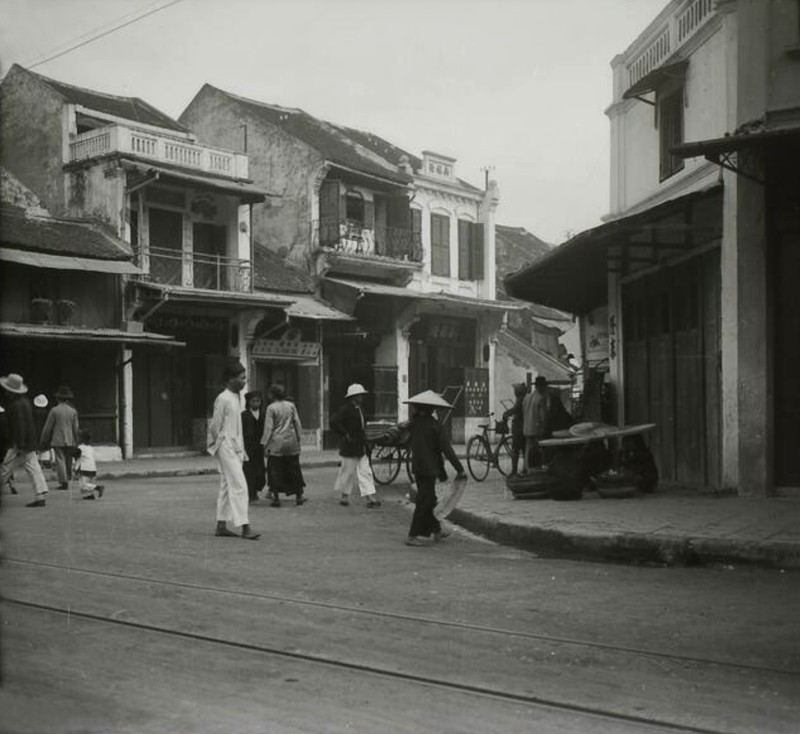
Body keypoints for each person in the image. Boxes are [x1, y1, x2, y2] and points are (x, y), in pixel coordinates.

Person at [404, 390, 467, 546]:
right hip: (430, 468)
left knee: (430, 499)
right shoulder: (435, 426)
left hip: (418, 468)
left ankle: (436, 530)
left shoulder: (414, 423)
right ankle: (412, 535)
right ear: (432, 409)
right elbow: (447, 450)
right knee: (424, 502)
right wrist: (459, 468)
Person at [207, 361, 260, 540]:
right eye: (242, 378)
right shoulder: (223, 398)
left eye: (245, 378)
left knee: (226, 485)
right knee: (240, 486)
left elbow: (237, 427)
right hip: (226, 446)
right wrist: (219, 445)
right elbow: (215, 425)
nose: (244, 381)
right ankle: (245, 527)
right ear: (230, 379)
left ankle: (221, 525)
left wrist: (240, 448)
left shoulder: (237, 397)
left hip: (236, 447)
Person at [0, 373, 49, 507]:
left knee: (5, 468)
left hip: (19, 443)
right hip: (30, 442)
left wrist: (20, 444)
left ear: (10, 391)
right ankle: (40, 495)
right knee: (34, 468)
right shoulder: (26, 402)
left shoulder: (15, 405)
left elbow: (19, 426)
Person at [330, 383, 380, 508]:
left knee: (365, 471)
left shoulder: (359, 409)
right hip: (350, 445)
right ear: (354, 396)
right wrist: (345, 434)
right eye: (360, 395)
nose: (362, 397)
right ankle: (345, 496)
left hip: (360, 445)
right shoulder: (346, 409)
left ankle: (370, 497)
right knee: (347, 472)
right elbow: (334, 422)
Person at [261, 383, 306, 507]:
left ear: (271, 394)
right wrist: (298, 440)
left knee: (275, 471)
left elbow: (268, 428)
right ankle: (299, 496)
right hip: (291, 442)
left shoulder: (271, 408)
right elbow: (297, 423)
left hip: (276, 444)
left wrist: (264, 444)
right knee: (294, 469)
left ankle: (276, 498)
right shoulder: (291, 405)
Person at [522, 375, 571, 472]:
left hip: (527, 428)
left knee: (528, 451)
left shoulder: (527, 398)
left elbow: (523, 412)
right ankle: (536, 470)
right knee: (538, 452)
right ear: (542, 387)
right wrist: (544, 429)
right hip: (537, 430)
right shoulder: (541, 398)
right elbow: (543, 417)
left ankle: (527, 470)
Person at [39, 385, 79, 489]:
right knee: (68, 460)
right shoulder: (73, 411)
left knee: (60, 460)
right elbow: (76, 428)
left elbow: (48, 428)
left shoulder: (54, 410)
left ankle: (63, 481)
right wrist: (77, 440)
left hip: (58, 439)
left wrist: (43, 440)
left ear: (58, 398)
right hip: (70, 439)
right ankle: (68, 478)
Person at [241, 390, 266, 503]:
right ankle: (250, 493)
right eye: (253, 401)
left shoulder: (264, 414)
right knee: (249, 470)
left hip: (260, 446)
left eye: (258, 401)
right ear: (248, 402)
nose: (256, 403)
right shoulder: (244, 415)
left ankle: (256, 489)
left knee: (260, 470)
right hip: (248, 446)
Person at [502, 382, 528, 476]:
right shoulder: (521, 399)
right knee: (523, 450)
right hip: (521, 427)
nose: (514, 392)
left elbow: (515, 409)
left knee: (516, 450)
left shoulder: (520, 400)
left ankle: (514, 471)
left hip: (519, 428)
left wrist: (506, 414)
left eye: (515, 390)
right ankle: (524, 469)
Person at [74, 429, 105, 500]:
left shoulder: (80, 448)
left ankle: (98, 487)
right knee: (90, 483)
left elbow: (78, 459)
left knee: (83, 486)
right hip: (93, 468)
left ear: (82, 439)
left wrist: (76, 469)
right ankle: (90, 495)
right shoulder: (91, 448)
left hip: (85, 469)